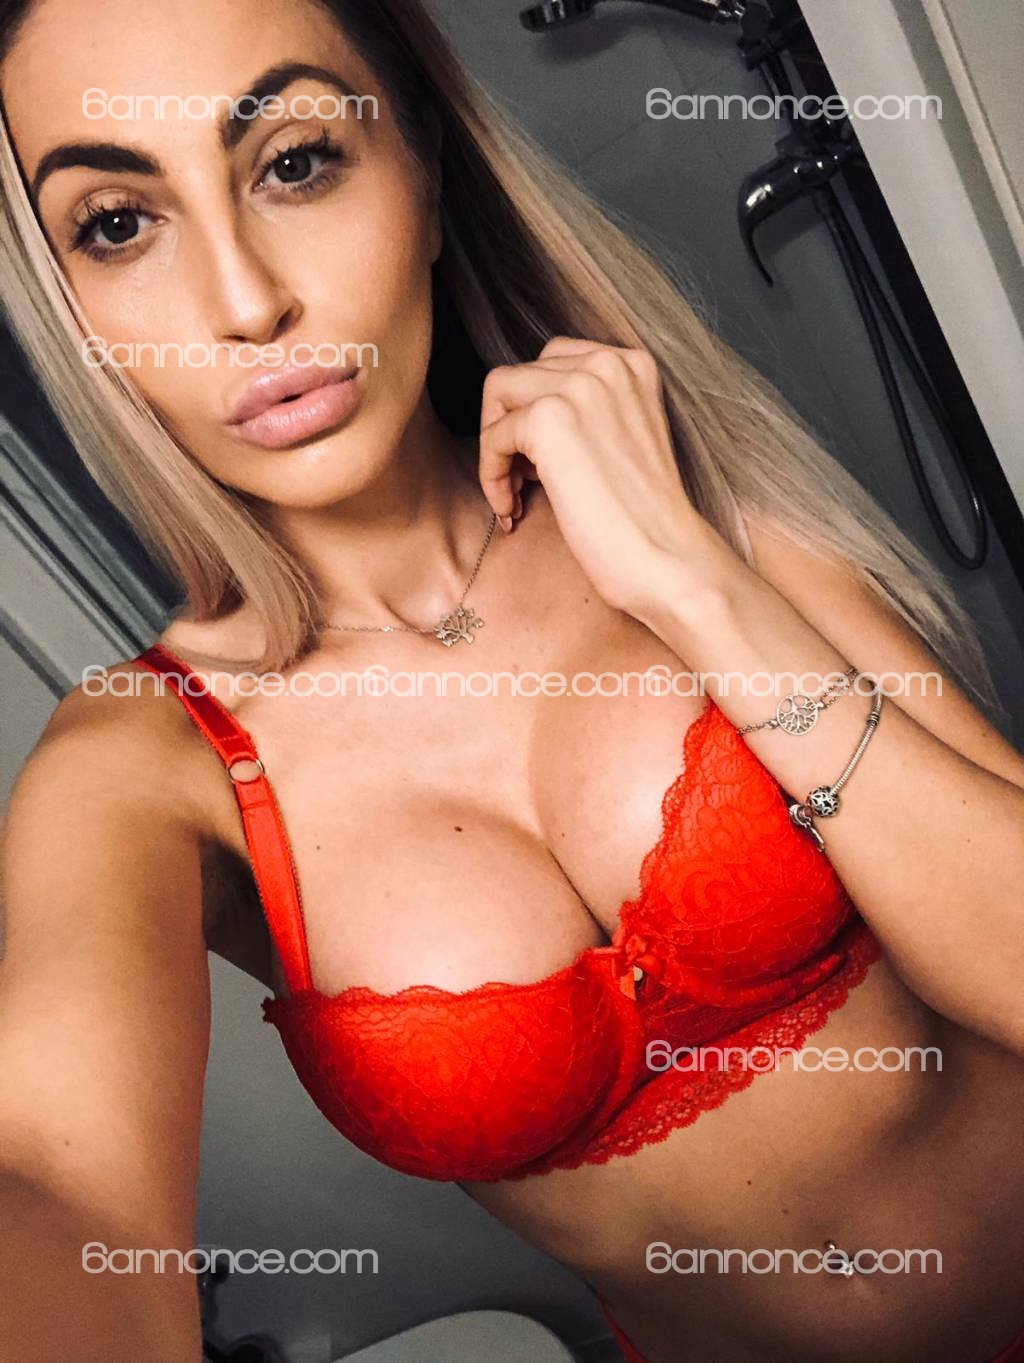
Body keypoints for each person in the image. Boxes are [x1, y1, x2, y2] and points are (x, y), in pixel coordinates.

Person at [1, 1, 1022, 1360]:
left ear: (424, 171)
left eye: (296, 162)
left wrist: (692, 586)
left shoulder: (661, 485)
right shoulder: (141, 768)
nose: (246, 305)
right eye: (119, 224)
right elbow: (59, 1192)